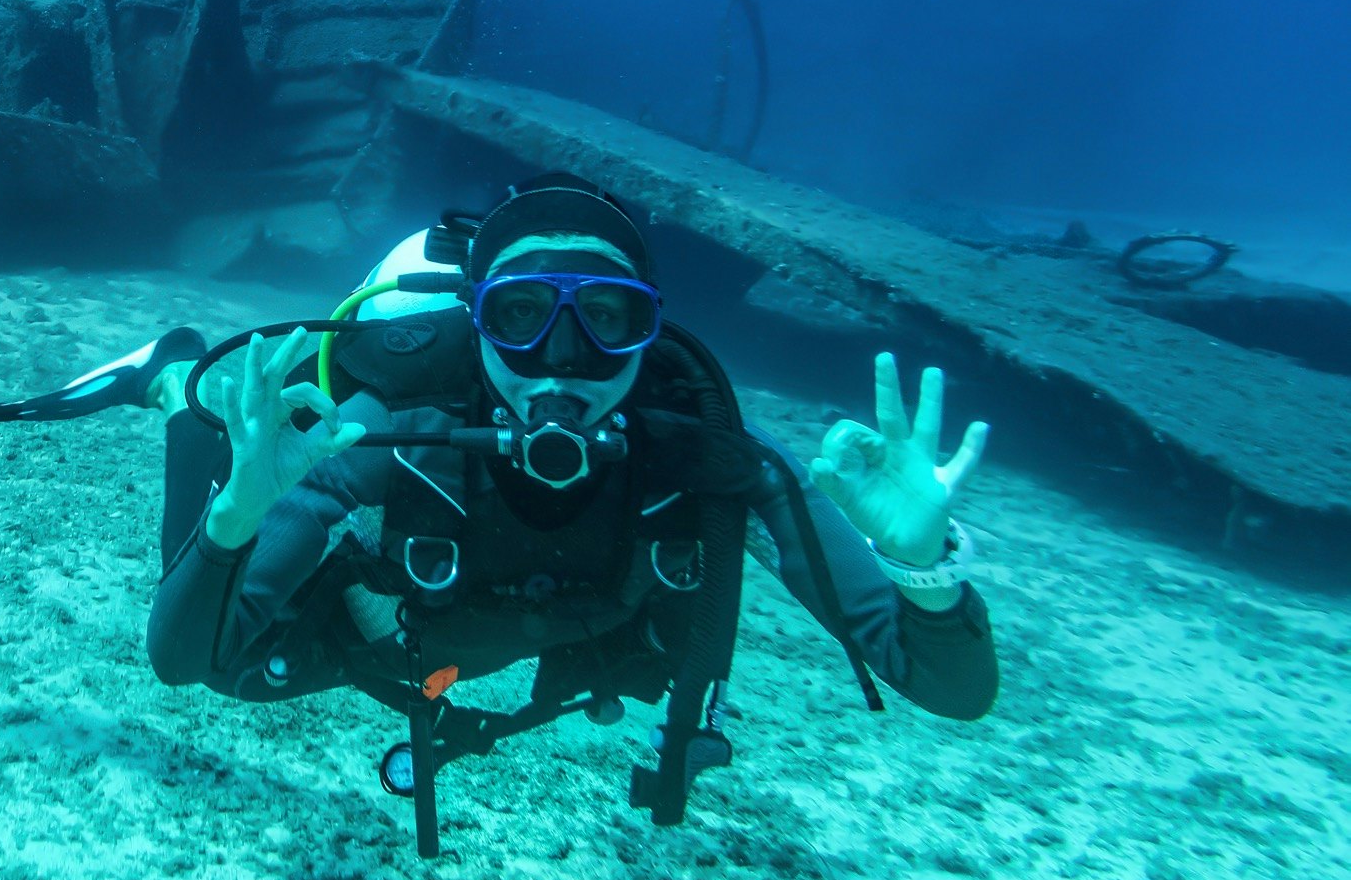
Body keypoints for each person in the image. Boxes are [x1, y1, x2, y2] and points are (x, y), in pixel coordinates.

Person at [144, 174, 997, 845]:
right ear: (475, 324)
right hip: (425, 632)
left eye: (603, 318)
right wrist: (241, 510)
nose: (559, 364)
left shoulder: (718, 458)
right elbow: (188, 657)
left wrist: (923, 566)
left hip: (538, 636)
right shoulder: (401, 428)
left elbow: (950, 687)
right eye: (519, 315)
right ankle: (183, 400)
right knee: (242, 667)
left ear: (646, 331)